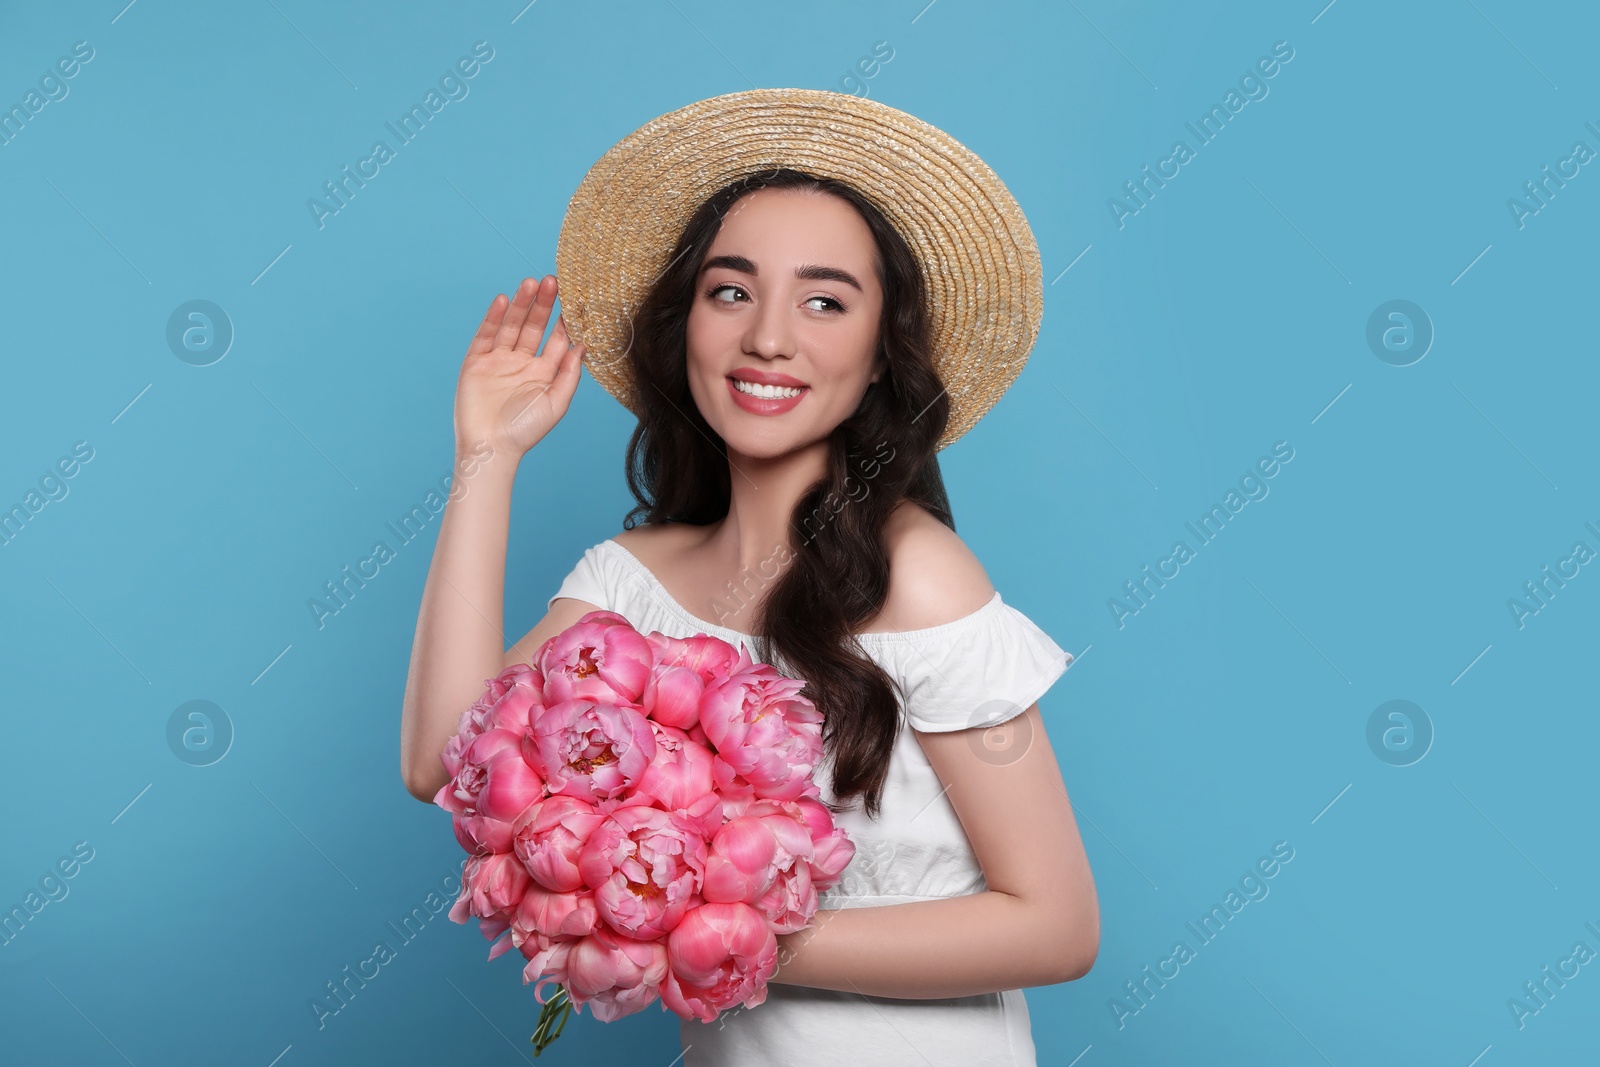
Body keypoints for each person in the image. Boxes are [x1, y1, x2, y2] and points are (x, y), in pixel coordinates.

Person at [399, 88, 1098, 1066]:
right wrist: (486, 457)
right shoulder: (629, 585)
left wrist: (706, 926)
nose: (768, 337)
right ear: (684, 323)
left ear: (878, 353)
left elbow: (1055, 924)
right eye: (731, 290)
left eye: (824, 300)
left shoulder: (921, 581)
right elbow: (444, 762)